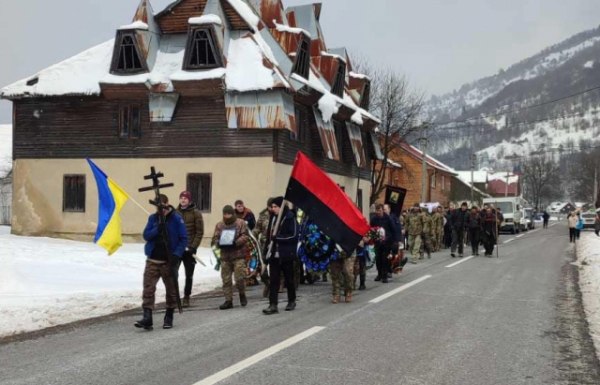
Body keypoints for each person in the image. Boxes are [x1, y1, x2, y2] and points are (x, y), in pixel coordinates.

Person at [135, 194, 188, 331]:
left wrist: (177, 255)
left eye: (163, 208)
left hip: (169, 261)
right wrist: (157, 228)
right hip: (153, 259)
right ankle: (147, 317)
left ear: (167, 204)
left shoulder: (176, 219)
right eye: (159, 208)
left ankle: (169, 315)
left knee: (171, 290)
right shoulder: (153, 218)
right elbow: (146, 235)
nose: (161, 211)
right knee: (148, 288)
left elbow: (183, 239)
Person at [263, 197, 299, 315]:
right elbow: (269, 237)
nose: (273, 209)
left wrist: (278, 238)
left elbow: (293, 235)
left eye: (275, 207)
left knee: (289, 279)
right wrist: (265, 253)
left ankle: (291, 300)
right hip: (274, 254)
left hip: (286, 254)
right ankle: (273, 304)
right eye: (272, 207)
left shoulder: (290, 217)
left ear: (281, 207)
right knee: (274, 280)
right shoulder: (273, 218)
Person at [213, 205, 250, 310]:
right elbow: (215, 237)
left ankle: (242, 293)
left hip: (238, 255)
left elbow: (245, 236)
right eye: (225, 214)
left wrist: (235, 242)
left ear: (232, 214)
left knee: (239, 278)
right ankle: (228, 300)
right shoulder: (220, 225)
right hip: (225, 256)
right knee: (226, 280)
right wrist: (219, 243)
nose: (227, 216)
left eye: (229, 214)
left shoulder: (240, 223)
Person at [175, 191, 204, 308]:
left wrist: (193, 247)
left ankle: (186, 297)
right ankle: (174, 297)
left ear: (189, 200)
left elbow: (199, 232)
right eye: (181, 198)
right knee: (173, 273)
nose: (183, 200)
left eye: (185, 198)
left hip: (189, 249)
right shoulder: (175, 213)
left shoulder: (196, 213)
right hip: (177, 249)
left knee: (189, 274)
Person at [253, 197, 275, 298]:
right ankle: (267, 283)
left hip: (275, 244)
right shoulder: (263, 216)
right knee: (262, 268)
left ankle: (274, 287)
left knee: (275, 267)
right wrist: (253, 236)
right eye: (270, 206)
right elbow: (257, 228)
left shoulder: (279, 215)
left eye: (273, 206)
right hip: (264, 244)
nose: (271, 208)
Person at [370, 204, 397, 283]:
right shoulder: (374, 219)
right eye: (377, 211)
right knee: (378, 258)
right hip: (378, 242)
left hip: (387, 242)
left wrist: (395, 241)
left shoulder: (388, 218)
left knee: (385, 259)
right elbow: (371, 229)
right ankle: (379, 274)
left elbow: (393, 229)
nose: (378, 212)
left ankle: (385, 275)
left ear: (382, 210)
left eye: (380, 210)